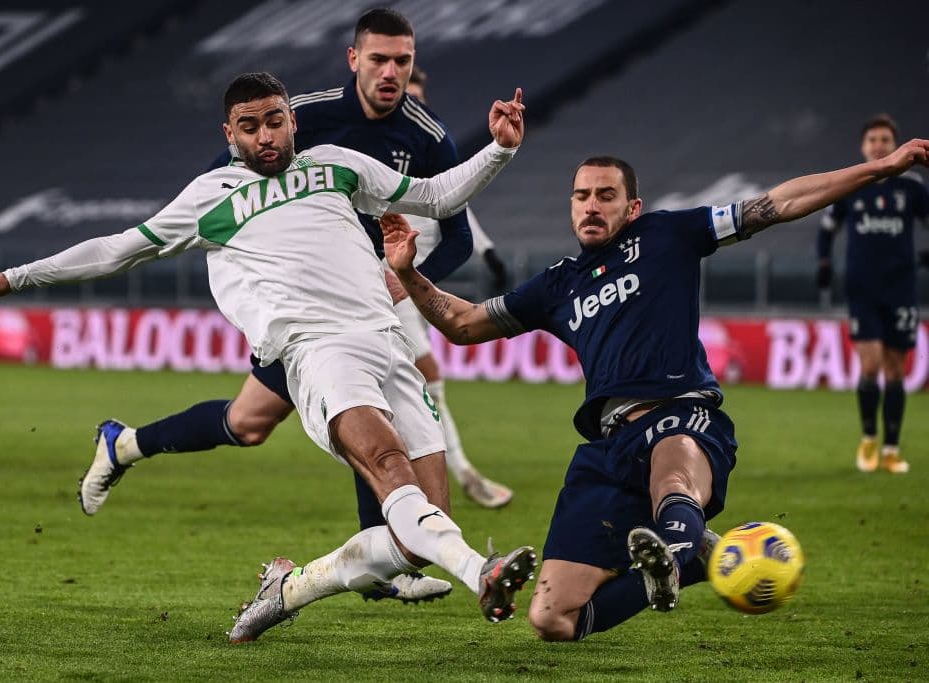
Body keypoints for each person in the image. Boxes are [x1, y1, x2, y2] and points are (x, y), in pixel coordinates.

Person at [0, 71, 537, 642]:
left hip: (387, 340)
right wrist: (15, 277)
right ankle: (479, 574)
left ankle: (290, 589)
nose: (265, 136)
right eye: (249, 126)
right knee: (385, 463)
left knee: (422, 533)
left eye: (274, 121)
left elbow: (433, 196)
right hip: (315, 349)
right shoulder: (210, 197)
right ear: (230, 134)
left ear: (291, 121)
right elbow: (117, 250)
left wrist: (499, 150)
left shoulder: (336, 164)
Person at [383, 137, 929, 641]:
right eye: (581, 196)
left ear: (633, 208)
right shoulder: (558, 282)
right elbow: (465, 323)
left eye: (605, 195)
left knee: (672, 474)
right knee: (551, 619)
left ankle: (676, 540)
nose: (590, 206)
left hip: (680, 413)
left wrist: (880, 168)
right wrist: (408, 273)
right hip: (606, 448)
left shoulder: (668, 235)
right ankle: (679, 564)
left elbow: (778, 203)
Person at [83, 10, 510, 541]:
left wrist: (405, 280)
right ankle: (385, 554)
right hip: (301, 304)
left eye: (402, 61)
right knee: (269, 420)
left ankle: (125, 445)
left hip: (370, 299)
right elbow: (227, 183)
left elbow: (459, 237)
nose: (390, 72)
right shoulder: (303, 117)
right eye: (379, 59)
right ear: (354, 59)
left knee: (275, 420)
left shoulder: (427, 138)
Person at [391, 65, 513, 508]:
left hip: (407, 282)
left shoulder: (427, 148)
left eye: (419, 98)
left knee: (422, 379)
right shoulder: (377, 154)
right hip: (377, 282)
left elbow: (455, 208)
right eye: (408, 97)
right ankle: (437, 474)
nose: (415, 106)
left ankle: (448, 472)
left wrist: (488, 251)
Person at [817, 114, 929, 474]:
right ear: (864, 146)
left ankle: (892, 448)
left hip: (901, 287)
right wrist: (823, 262)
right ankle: (868, 439)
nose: (879, 145)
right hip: (861, 288)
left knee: (896, 369)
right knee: (870, 365)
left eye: (885, 139)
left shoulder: (912, 187)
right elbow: (827, 227)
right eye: (873, 140)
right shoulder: (853, 185)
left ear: (894, 145)